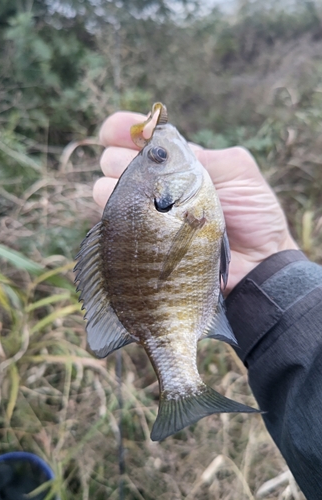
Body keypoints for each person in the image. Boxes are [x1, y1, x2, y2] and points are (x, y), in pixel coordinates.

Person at [94, 110, 322, 500]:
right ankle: (183, 389)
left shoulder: (183, 198)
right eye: (159, 158)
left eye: (157, 156)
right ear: (161, 196)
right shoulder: (181, 200)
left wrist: (270, 256)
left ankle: (183, 391)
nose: (162, 147)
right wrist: (273, 260)